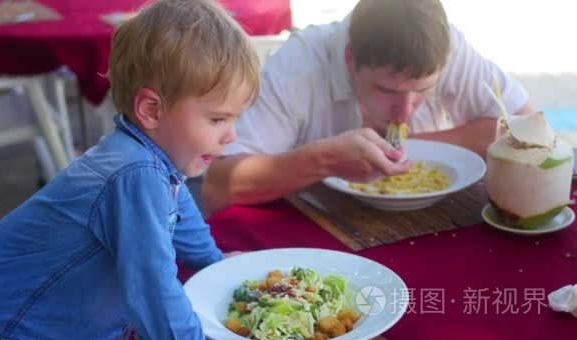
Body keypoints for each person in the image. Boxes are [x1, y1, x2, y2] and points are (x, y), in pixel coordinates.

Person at [0, 0, 259, 340]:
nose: (232, 134)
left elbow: (181, 218)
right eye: (218, 118)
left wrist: (215, 265)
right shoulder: (135, 173)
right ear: (151, 109)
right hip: (8, 330)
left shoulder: (150, 159)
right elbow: (156, 295)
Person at [203, 0, 535, 213]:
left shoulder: (448, 48)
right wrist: (323, 160)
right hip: (313, 234)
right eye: (387, 90)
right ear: (350, 58)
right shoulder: (301, 64)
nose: (405, 112)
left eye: (423, 91)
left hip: (432, 218)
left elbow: (529, 129)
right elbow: (218, 183)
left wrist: (409, 150)